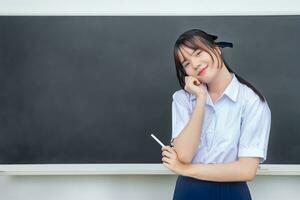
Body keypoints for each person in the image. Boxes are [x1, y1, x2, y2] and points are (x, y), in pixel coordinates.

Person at [161, 29, 271, 200]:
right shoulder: (183, 99)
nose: (195, 64)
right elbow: (184, 155)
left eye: (198, 53)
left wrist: (184, 169)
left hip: (232, 191)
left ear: (216, 49)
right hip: (189, 191)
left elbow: (246, 170)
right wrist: (201, 98)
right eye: (186, 63)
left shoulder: (252, 101)